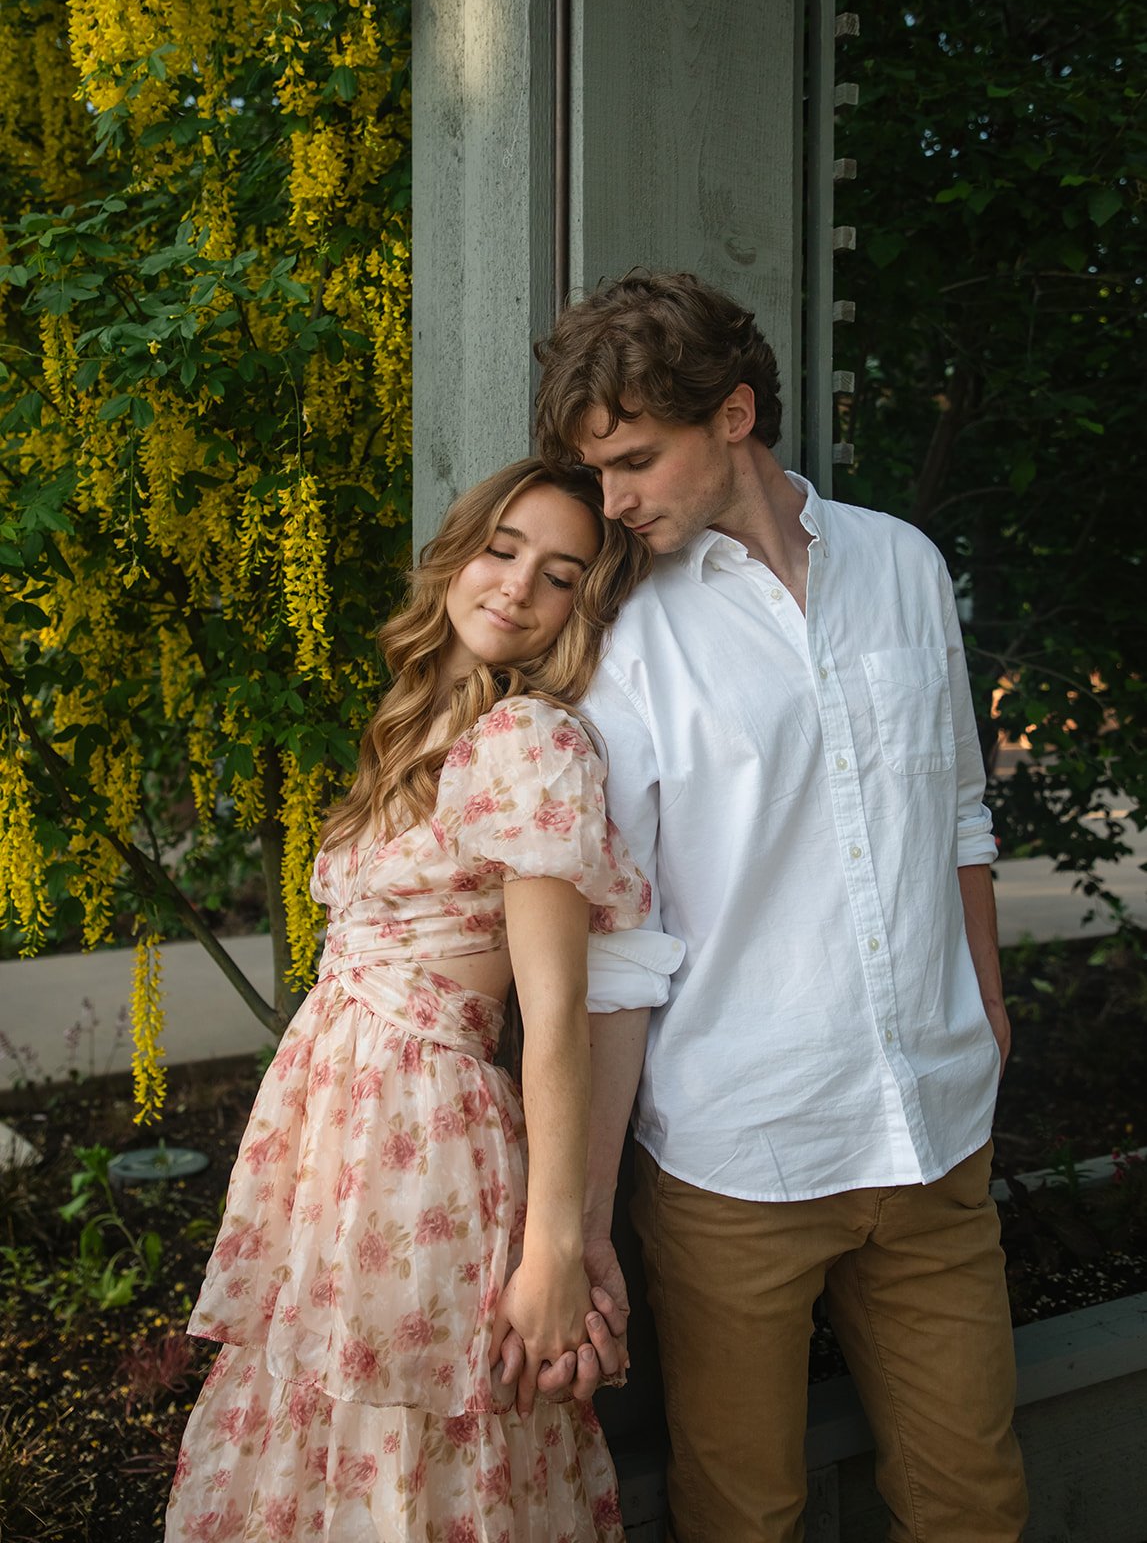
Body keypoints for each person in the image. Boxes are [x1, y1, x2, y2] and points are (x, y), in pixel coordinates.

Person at [530, 272, 1030, 1542]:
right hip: (737, 1160)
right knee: (743, 1513)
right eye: (597, 473)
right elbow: (620, 947)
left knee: (973, 1500)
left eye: (636, 460)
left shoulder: (901, 564)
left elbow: (958, 808)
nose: (613, 502)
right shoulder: (625, 636)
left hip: (934, 1133)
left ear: (735, 414)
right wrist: (584, 1218)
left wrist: (986, 1004)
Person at [165, 459, 664, 1543]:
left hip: (422, 1137)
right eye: (502, 549)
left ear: (579, 609)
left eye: (559, 575)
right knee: (315, 1412)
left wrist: (555, 1248)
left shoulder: (529, 741)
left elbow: (557, 1017)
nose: (518, 585)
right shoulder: (414, 731)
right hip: (333, 1135)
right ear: (457, 554)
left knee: (412, 1430)